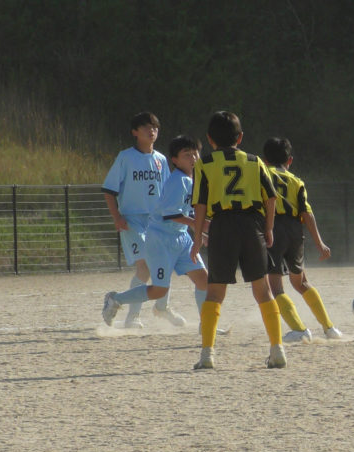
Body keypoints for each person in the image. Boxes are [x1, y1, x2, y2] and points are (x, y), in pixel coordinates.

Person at [190, 111, 285, 369]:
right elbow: (271, 197)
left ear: (210, 139)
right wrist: (269, 228)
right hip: (252, 224)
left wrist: (197, 238)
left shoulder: (204, 164)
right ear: (240, 137)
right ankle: (277, 349)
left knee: (215, 292)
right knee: (263, 290)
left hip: (222, 225)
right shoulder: (255, 161)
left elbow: (200, 205)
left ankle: (207, 354)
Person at [102, 135, 211, 331]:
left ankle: (207, 325)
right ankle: (115, 299)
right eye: (187, 155)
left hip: (181, 238)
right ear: (175, 160)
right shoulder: (178, 181)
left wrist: (199, 231)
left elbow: (188, 212)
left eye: (195, 154)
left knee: (204, 280)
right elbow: (171, 214)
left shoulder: (194, 180)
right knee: (159, 289)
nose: (193, 158)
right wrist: (200, 225)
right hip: (161, 240)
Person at [101, 111, 183, 328]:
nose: (152, 130)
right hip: (133, 220)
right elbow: (109, 190)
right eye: (146, 127)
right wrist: (117, 217)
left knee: (163, 263)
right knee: (145, 267)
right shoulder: (126, 157)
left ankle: (162, 307)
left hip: (157, 221)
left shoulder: (161, 159)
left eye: (155, 127)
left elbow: (168, 193)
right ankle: (133, 316)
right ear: (135, 132)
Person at [260, 137, 342, 343]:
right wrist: (320, 243)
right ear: (289, 161)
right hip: (295, 230)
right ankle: (329, 328)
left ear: (265, 160)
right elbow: (307, 213)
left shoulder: (262, 174)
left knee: (275, 287)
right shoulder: (297, 181)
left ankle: (299, 330)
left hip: (273, 227)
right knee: (301, 282)